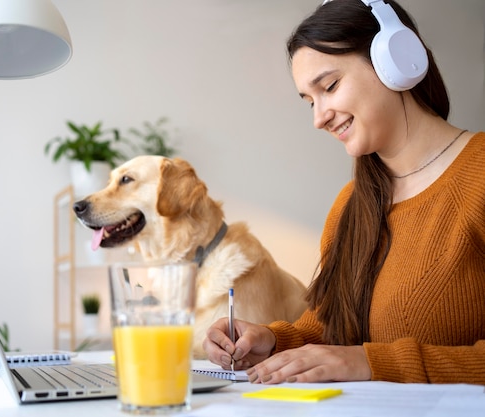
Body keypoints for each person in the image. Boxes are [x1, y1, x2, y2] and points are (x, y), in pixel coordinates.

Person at [202, 0, 485, 385]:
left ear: (396, 62)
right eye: (310, 101)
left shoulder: (478, 174)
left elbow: (359, 357)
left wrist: (373, 363)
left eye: (330, 86)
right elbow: (333, 330)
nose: (319, 118)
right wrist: (273, 341)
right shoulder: (350, 205)